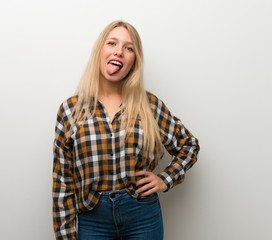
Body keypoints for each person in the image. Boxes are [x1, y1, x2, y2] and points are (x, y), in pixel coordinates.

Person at [53, 20, 200, 240]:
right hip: (92, 220)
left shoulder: (149, 106)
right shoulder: (70, 111)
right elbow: (63, 184)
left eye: (128, 48)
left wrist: (165, 179)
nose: (119, 51)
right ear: (100, 51)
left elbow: (189, 145)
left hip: (143, 217)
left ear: (134, 61)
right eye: (112, 43)